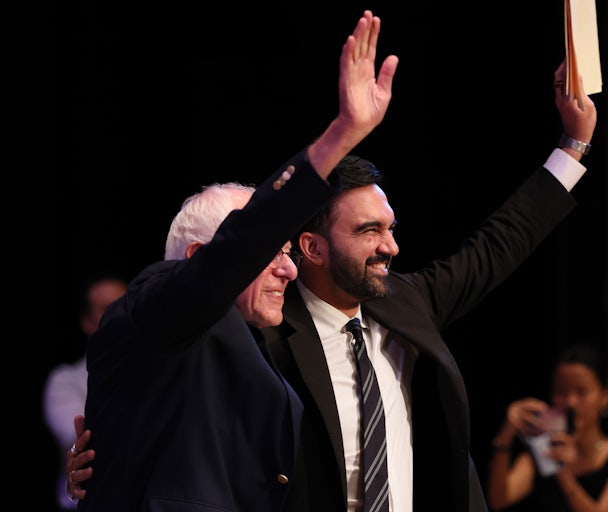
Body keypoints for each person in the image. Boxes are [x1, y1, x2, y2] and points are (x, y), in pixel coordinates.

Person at [69, 60, 596, 511]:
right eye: (368, 230)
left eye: (390, 228)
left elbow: (496, 248)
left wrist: (572, 147)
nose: (391, 246)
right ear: (314, 247)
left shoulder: (406, 303)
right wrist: (111, 457)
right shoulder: (256, 329)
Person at [67, 9, 398, 512]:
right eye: (270, 254)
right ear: (199, 259)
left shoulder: (253, 341)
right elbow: (241, 241)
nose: (289, 269)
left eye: (287, 253)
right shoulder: (157, 305)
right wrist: (340, 137)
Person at [486, 345, 608, 511]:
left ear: (605, 396)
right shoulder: (544, 449)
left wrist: (563, 474)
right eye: (561, 391)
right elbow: (499, 500)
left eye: (581, 392)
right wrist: (506, 435)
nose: (570, 402)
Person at [43, 275, 128, 510]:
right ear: (87, 322)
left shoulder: (154, 373)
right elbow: (86, 441)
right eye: (106, 308)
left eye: (124, 304)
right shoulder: (65, 380)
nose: (119, 314)